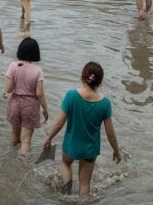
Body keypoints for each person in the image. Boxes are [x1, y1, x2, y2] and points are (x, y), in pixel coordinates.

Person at [43, 62, 121, 196]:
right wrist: (116, 150)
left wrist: (48, 138)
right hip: (90, 149)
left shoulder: (71, 95)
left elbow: (59, 124)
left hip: (71, 146)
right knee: (85, 184)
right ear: (100, 82)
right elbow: (110, 133)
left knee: (66, 164)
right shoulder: (105, 103)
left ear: (82, 76)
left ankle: (66, 197)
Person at [5, 38, 49, 155]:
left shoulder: (13, 66)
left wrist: (15, 77)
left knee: (15, 135)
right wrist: (45, 109)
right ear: (36, 53)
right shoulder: (38, 70)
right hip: (30, 105)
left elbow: (8, 89)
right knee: (26, 140)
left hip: (15, 103)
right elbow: (39, 93)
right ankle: (23, 164)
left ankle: (12, 158)